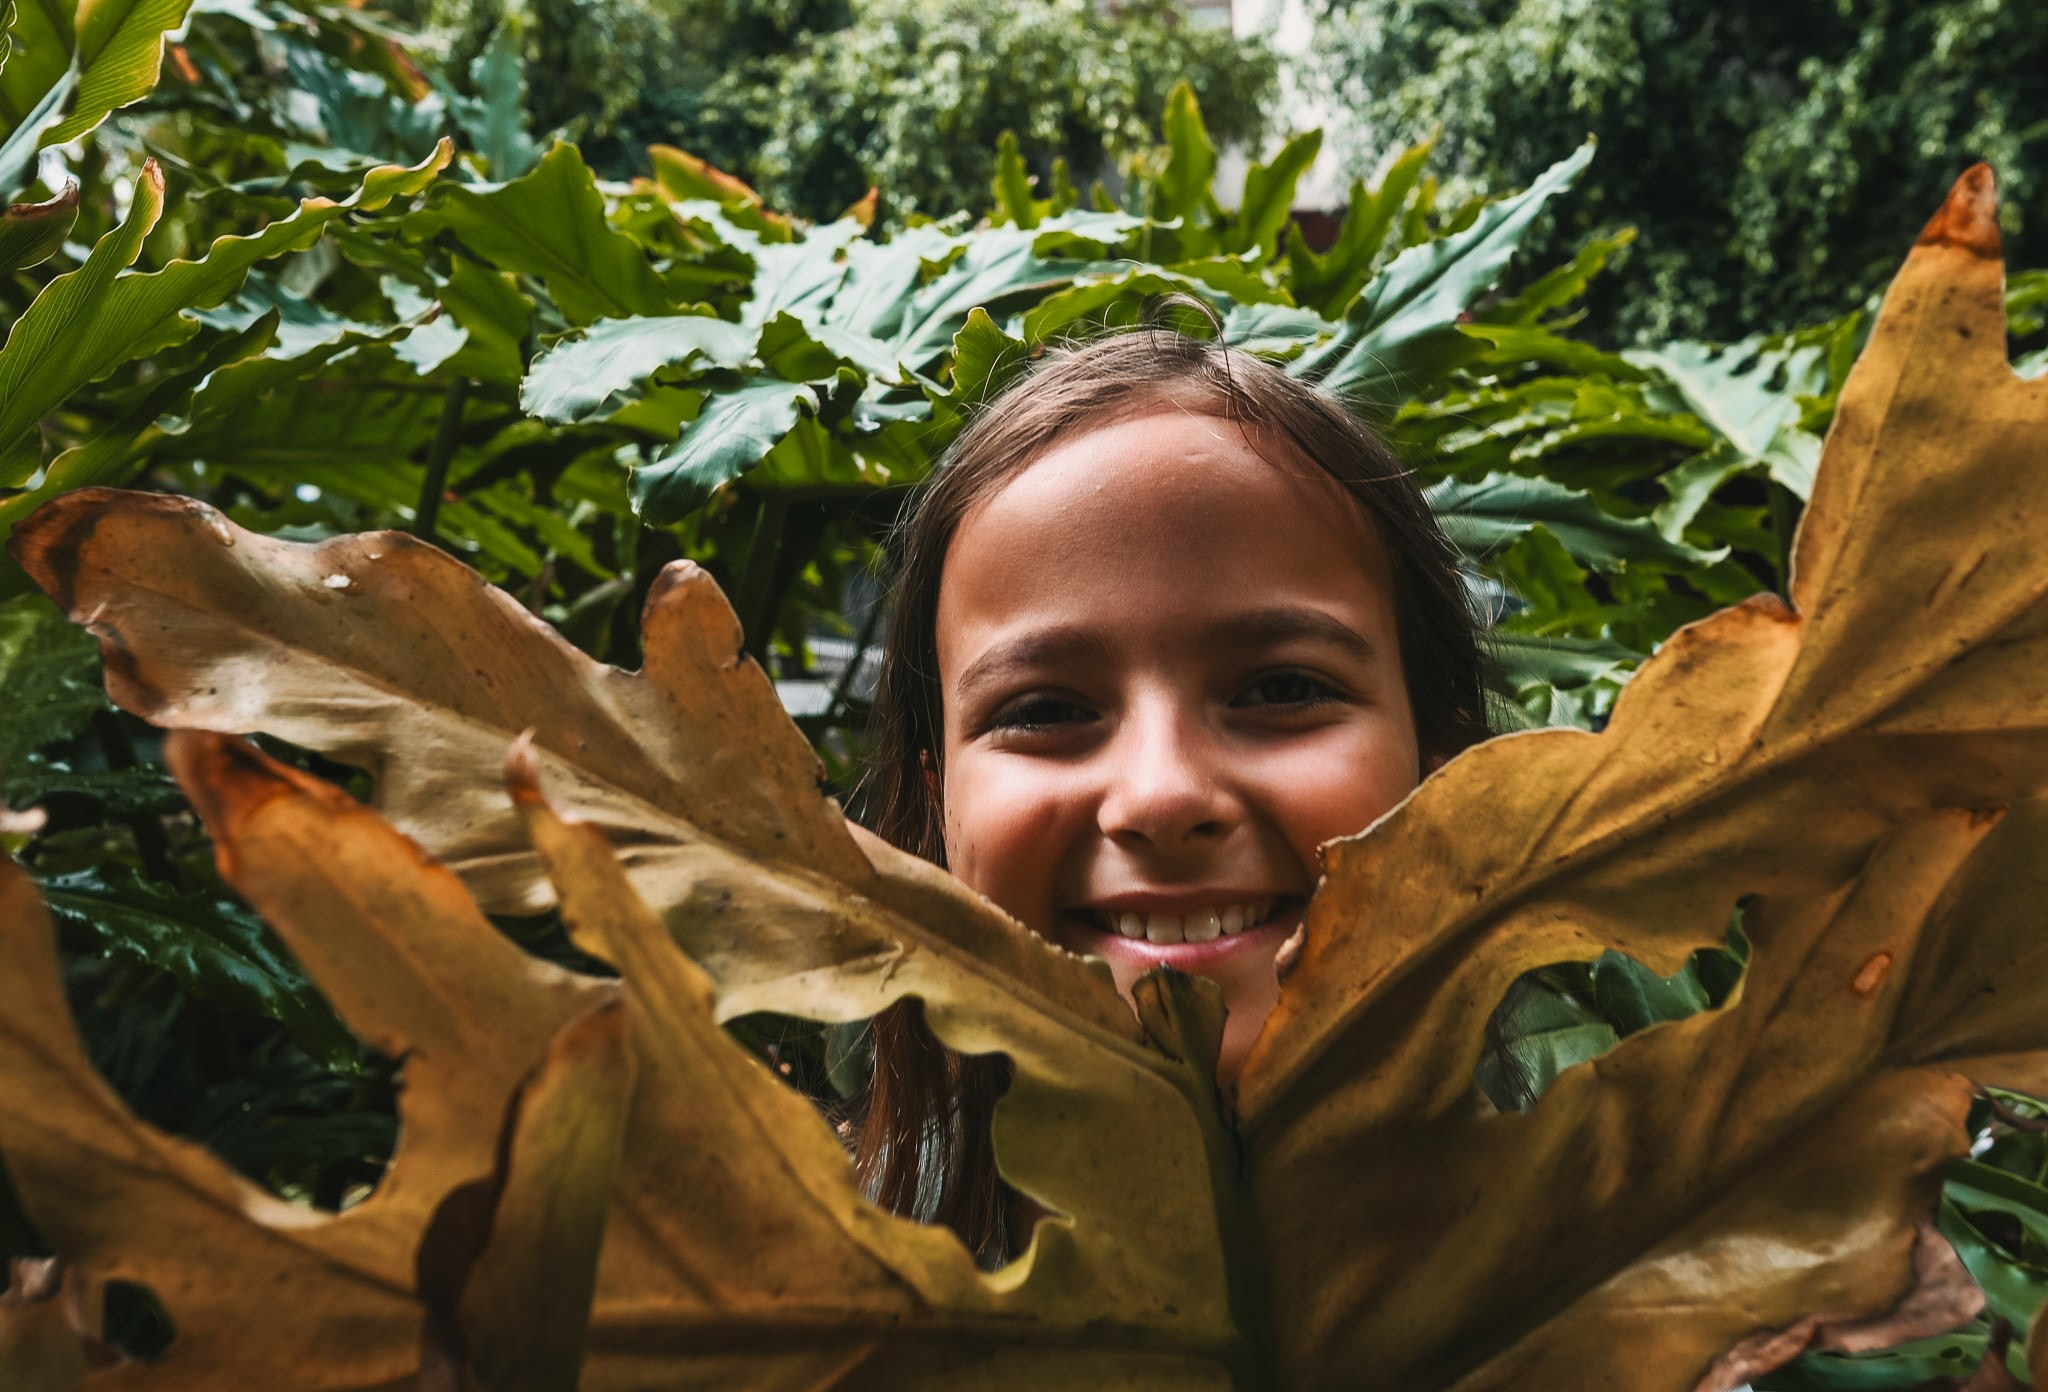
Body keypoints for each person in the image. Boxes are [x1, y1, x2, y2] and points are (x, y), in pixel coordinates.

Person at [851, 316, 1493, 1262]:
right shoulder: (822, 1298)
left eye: (1282, 689)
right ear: (939, 810)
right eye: (1044, 710)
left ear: (1447, 766)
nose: (1161, 795)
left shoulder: (1647, 1304)